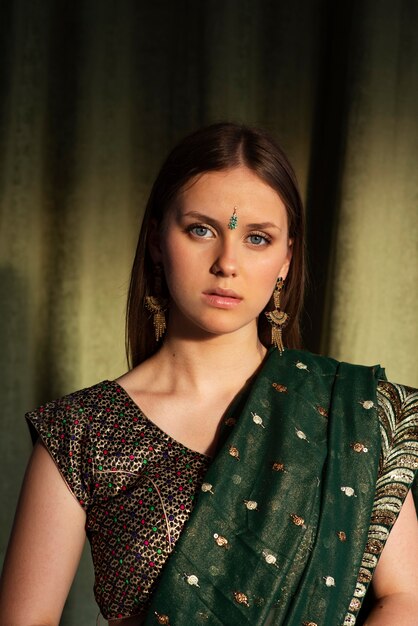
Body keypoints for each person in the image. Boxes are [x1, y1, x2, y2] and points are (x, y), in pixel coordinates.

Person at [0, 122, 417, 626]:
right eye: (202, 230)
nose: (227, 263)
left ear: (286, 259)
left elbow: (404, 599)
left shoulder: (347, 413)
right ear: (157, 240)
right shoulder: (82, 429)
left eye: (257, 238)